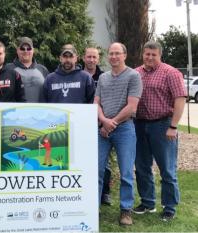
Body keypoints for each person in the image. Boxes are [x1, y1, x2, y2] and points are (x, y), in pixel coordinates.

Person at [133, 41, 186, 221]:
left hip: (163, 125)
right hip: (139, 125)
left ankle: (169, 207)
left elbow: (180, 99)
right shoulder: (136, 73)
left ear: (160, 55)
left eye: (153, 54)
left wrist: (173, 126)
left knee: (167, 168)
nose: (149, 57)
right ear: (143, 54)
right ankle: (148, 202)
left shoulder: (170, 73)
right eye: (147, 54)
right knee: (141, 167)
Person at [94, 42, 142, 225]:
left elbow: (132, 106)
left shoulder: (133, 76)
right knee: (97, 170)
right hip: (103, 129)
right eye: (111, 53)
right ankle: (93, 207)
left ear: (124, 55)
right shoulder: (104, 78)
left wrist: (111, 123)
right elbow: (96, 103)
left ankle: (125, 210)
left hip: (124, 129)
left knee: (126, 172)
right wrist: (104, 122)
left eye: (117, 53)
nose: (113, 57)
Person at [82, 47, 112, 205]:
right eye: (89, 56)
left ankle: (105, 193)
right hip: (82, 124)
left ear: (98, 59)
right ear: (83, 58)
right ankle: (85, 190)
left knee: (104, 162)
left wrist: (103, 122)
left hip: (100, 123)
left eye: (94, 57)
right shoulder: (77, 76)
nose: (91, 59)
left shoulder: (105, 77)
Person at [6, 36, 49, 102]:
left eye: (29, 48)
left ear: (33, 50)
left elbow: (49, 93)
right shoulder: (8, 69)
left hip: (40, 111)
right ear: (17, 50)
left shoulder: (43, 70)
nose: (25, 51)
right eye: (22, 48)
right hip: (16, 111)